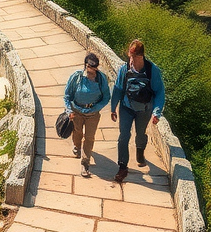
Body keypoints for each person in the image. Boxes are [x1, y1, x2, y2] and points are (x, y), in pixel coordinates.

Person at [110, 39, 165, 183]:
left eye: (134, 57)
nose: (132, 60)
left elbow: (160, 92)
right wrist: (113, 107)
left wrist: (156, 112)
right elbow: (118, 89)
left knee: (140, 133)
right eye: (130, 56)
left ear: (141, 56)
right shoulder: (124, 69)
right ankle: (122, 167)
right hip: (126, 108)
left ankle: (140, 152)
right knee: (123, 136)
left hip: (145, 110)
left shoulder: (152, 70)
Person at [63, 51, 110, 178]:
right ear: (85, 65)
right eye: (90, 67)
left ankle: (85, 163)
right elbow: (67, 95)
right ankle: (77, 146)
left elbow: (106, 97)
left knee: (89, 137)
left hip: (93, 114)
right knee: (77, 132)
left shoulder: (101, 79)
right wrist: (69, 111)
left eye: (94, 68)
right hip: (77, 111)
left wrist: (96, 108)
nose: (92, 71)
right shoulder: (76, 77)